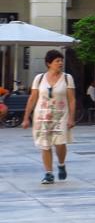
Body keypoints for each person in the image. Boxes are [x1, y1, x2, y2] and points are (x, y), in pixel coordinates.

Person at [21, 49, 76, 185]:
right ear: (49, 63)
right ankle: (48, 173)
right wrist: (26, 117)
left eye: (61, 60)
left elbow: (72, 99)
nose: (60, 63)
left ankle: (61, 164)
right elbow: (33, 98)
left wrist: (71, 117)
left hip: (60, 114)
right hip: (42, 116)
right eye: (57, 61)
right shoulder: (39, 79)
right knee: (45, 145)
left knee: (60, 143)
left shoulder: (67, 78)